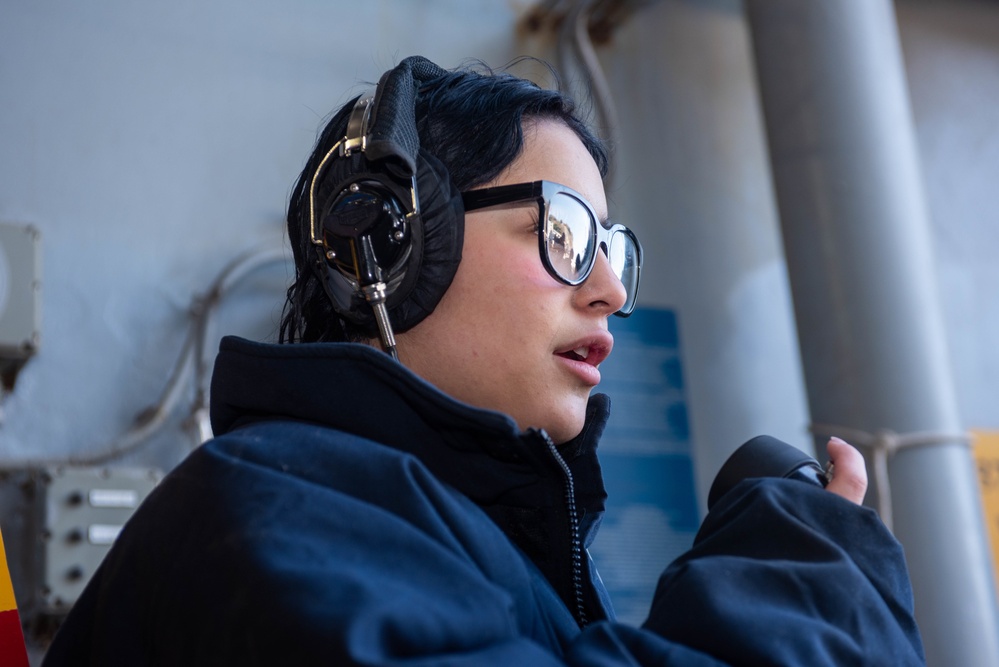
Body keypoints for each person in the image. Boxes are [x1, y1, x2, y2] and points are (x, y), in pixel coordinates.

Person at [43, 56, 924, 665]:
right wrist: (808, 590)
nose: (611, 291)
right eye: (563, 232)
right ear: (390, 244)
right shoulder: (271, 512)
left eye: (612, 248)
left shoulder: (443, 534)